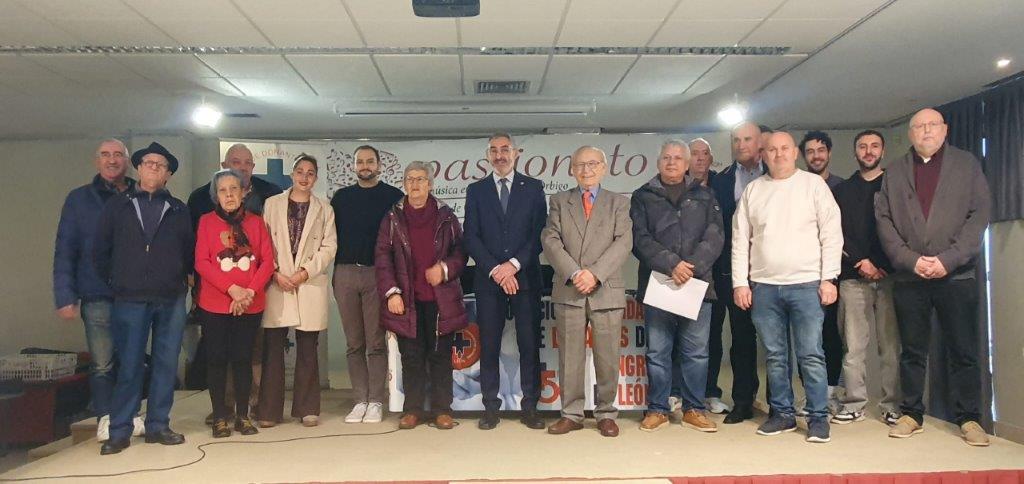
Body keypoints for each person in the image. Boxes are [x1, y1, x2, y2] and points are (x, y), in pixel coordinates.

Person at [875, 108, 991, 446]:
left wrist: (948, 260)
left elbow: (978, 216)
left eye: (932, 125)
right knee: (911, 350)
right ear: (910, 134)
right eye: (919, 127)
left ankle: (969, 418)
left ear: (945, 130)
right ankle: (911, 413)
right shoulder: (894, 171)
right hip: (910, 277)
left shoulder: (966, 164)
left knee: (963, 349)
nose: (926, 131)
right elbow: (884, 221)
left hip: (956, 275)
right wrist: (911, 261)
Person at [732, 131, 842, 443]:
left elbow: (831, 234)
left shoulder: (813, 186)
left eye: (784, 149)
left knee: (810, 354)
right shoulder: (754, 191)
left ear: (794, 152)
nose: (778, 154)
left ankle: (818, 416)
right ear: (762, 154)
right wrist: (741, 283)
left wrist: (829, 278)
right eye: (771, 150)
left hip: (807, 285)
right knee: (775, 356)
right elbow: (741, 241)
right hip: (764, 287)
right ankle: (782, 414)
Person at [93, 142, 193, 455]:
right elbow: (100, 251)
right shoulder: (118, 206)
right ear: (138, 168)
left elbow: (188, 251)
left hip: (170, 297)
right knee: (130, 364)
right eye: (148, 163)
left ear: (168, 175)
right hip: (130, 298)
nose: (153, 168)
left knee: (165, 364)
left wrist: (180, 278)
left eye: (160, 165)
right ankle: (120, 429)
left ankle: (158, 425)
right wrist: (117, 280)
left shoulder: (178, 209)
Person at [53, 139, 144, 441]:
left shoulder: (141, 194)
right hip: (96, 293)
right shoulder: (78, 200)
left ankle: (130, 413)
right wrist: (65, 296)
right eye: (105, 155)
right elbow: (65, 250)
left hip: (135, 293)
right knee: (103, 362)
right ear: (97, 161)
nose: (112, 160)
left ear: (127, 161)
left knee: (132, 358)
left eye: (118, 155)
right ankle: (106, 416)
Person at [631, 140, 724, 433]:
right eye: (666, 157)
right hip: (659, 283)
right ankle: (657, 408)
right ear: (658, 163)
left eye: (678, 158)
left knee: (696, 352)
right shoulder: (643, 196)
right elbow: (640, 239)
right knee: (657, 351)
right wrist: (672, 264)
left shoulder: (706, 195)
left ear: (687, 165)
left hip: (697, 285)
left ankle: (693, 409)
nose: (672, 162)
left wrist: (691, 266)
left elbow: (716, 236)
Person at [187, 143, 282, 424]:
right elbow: (202, 262)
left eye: (234, 190)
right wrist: (232, 290)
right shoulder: (205, 222)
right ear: (216, 195)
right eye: (223, 190)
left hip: (250, 304)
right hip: (215, 303)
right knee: (216, 359)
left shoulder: (256, 223)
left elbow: (267, 261)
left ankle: (243, 415)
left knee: (243, 359)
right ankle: (219, 415)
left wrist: (249, 291)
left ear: (244, 193)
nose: (229, 195)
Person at [541, 146, 632, 438]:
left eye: (593, 164)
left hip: (605, 289)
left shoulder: (618, 203)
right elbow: (551, 239)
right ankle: (571, 413)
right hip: (570, 288)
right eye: (580, 165)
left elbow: (623, 243)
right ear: (571, 170)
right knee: (570, 357)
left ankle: (606, 413)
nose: (586, 170)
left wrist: (595, 274)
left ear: (604, 168)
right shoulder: (559, 201)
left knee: (607, 357)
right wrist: (575, 273)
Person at [375, 161, 468, 430]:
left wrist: (445, 268)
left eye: (420, 179)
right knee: (412, 357)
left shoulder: (446, 216)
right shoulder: (392, 217)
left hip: (441, 300)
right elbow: (382, 257)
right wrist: (391, 292)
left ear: (430, 183)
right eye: (410, 179)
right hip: (406, 301)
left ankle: (442, 410)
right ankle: (412, 410)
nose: (415, 184)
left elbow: (461, 253)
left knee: (440, 356)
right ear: (404, 184)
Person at [464, 133, 547, 430]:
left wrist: (512, 266)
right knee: (489, 345)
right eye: (494, 150)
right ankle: (490, 407)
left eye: (505, 150)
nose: (500, 155)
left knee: (528, 345)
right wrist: (497, 270)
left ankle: (530, 408)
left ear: (516, 153)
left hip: (525, 278)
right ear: (488, 155)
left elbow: (539, 235)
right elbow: (471, 237)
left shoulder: (534, 188)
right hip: (489, 282)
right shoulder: (476, 190)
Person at [259, 155, 337, 428]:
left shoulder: (324, 209)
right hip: (277, 281)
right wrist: (276, 272)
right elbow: (263, 243)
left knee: (307, 348)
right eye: (300, 172)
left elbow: (329, 248)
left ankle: (307, 408)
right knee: (272, 348)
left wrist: (304, 272)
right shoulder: (272, 204)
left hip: (308, 282)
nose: (304, 177)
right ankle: (269, 410)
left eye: (310, 173)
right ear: (292, 174)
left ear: (315, 178)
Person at [831, 130, 901, 426]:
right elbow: (837, 232)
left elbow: (903, 228)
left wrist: (882, 263)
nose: (868, 151)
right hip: (852, 277)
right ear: (855, 152)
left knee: (890, 345)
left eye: (874, 146)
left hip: (890, 276)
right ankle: (854, 402)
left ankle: (891, 404)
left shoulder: (897, 186)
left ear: (883, 151)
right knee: (853, 346)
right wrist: (862, 262)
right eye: (863, 146)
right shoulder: (843, 191)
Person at [330, 145, 403, 424]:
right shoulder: (342, 197)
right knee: (353, 343)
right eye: (360, 162)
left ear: (379, 165)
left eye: (370, 161)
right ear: (354, 166)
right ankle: (359, 400)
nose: (365, 166)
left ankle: (376, 401)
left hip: (378, 275)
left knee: (375, 342)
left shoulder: (393, 197)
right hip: (346, 273)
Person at [709, 122, 766, 424]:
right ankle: (743, 401)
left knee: (775, 341)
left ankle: (779, 403)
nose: (741, 144)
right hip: (733, 272)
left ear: (760, 143)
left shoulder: (776, 175)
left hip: (773, 271)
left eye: (747, 139)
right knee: (741, 339)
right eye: (736, 140)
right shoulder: (721, 181)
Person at [799, 131, 845, 409]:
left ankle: (829, 393)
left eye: (820, 150)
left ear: (828, 152)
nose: (816, 156)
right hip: (803, 274)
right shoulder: (799, 186)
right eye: (810, 151)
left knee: (831, 334)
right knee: (806, 339)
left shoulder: (843, 186)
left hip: (833, 272)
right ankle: (810, 393)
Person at [688, 137, 728, 415]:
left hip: (716, 273)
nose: (700, 159)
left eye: (705, 154)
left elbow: (722, 228)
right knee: (681, 337)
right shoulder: (673, 185)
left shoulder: (722, 186)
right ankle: (679, 393)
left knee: (712, 336)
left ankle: (710, 392)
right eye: (695, 154)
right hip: (679, 272)